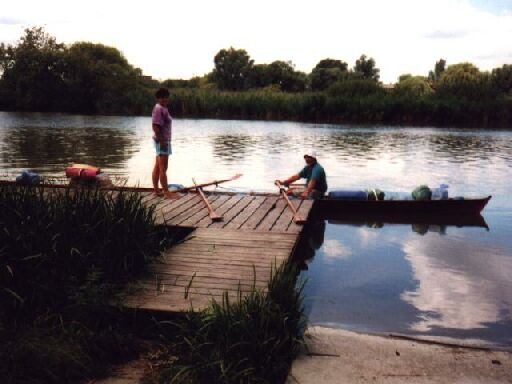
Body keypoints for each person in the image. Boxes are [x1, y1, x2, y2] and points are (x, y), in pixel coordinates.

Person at [151, 88, 176, 198]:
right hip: (162, 141)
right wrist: (162, 142)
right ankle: (166, 192)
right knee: (163, 167)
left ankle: (157, 191)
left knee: (158, 166)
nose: (165, 99)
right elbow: (155, 126)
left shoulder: (162, 108)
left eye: (166, 97)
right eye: (162, 97)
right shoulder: (158, 109)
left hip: (162, 141)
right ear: (158, 98)